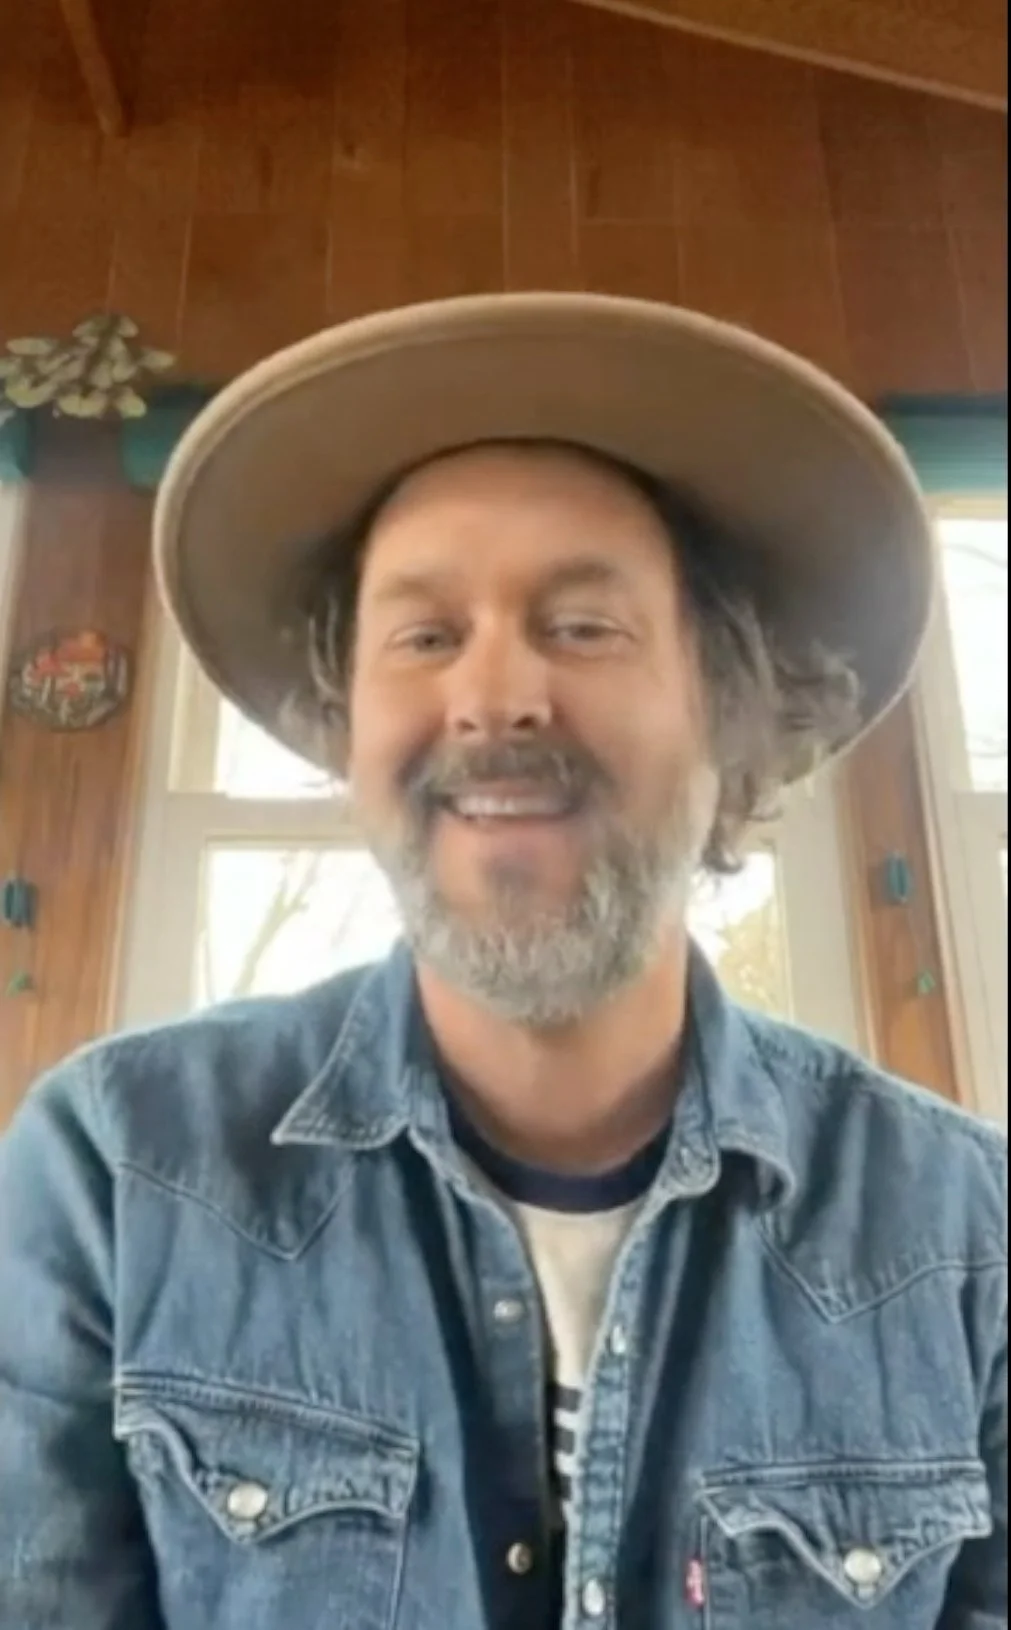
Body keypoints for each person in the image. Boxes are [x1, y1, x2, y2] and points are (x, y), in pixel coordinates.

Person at [0, 294, 1005, 1630]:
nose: (493, 698)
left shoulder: (970, 1239)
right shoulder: (114, 1172)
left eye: (582, 625)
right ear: (349, 723)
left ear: (727, 709)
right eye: (424, 636)